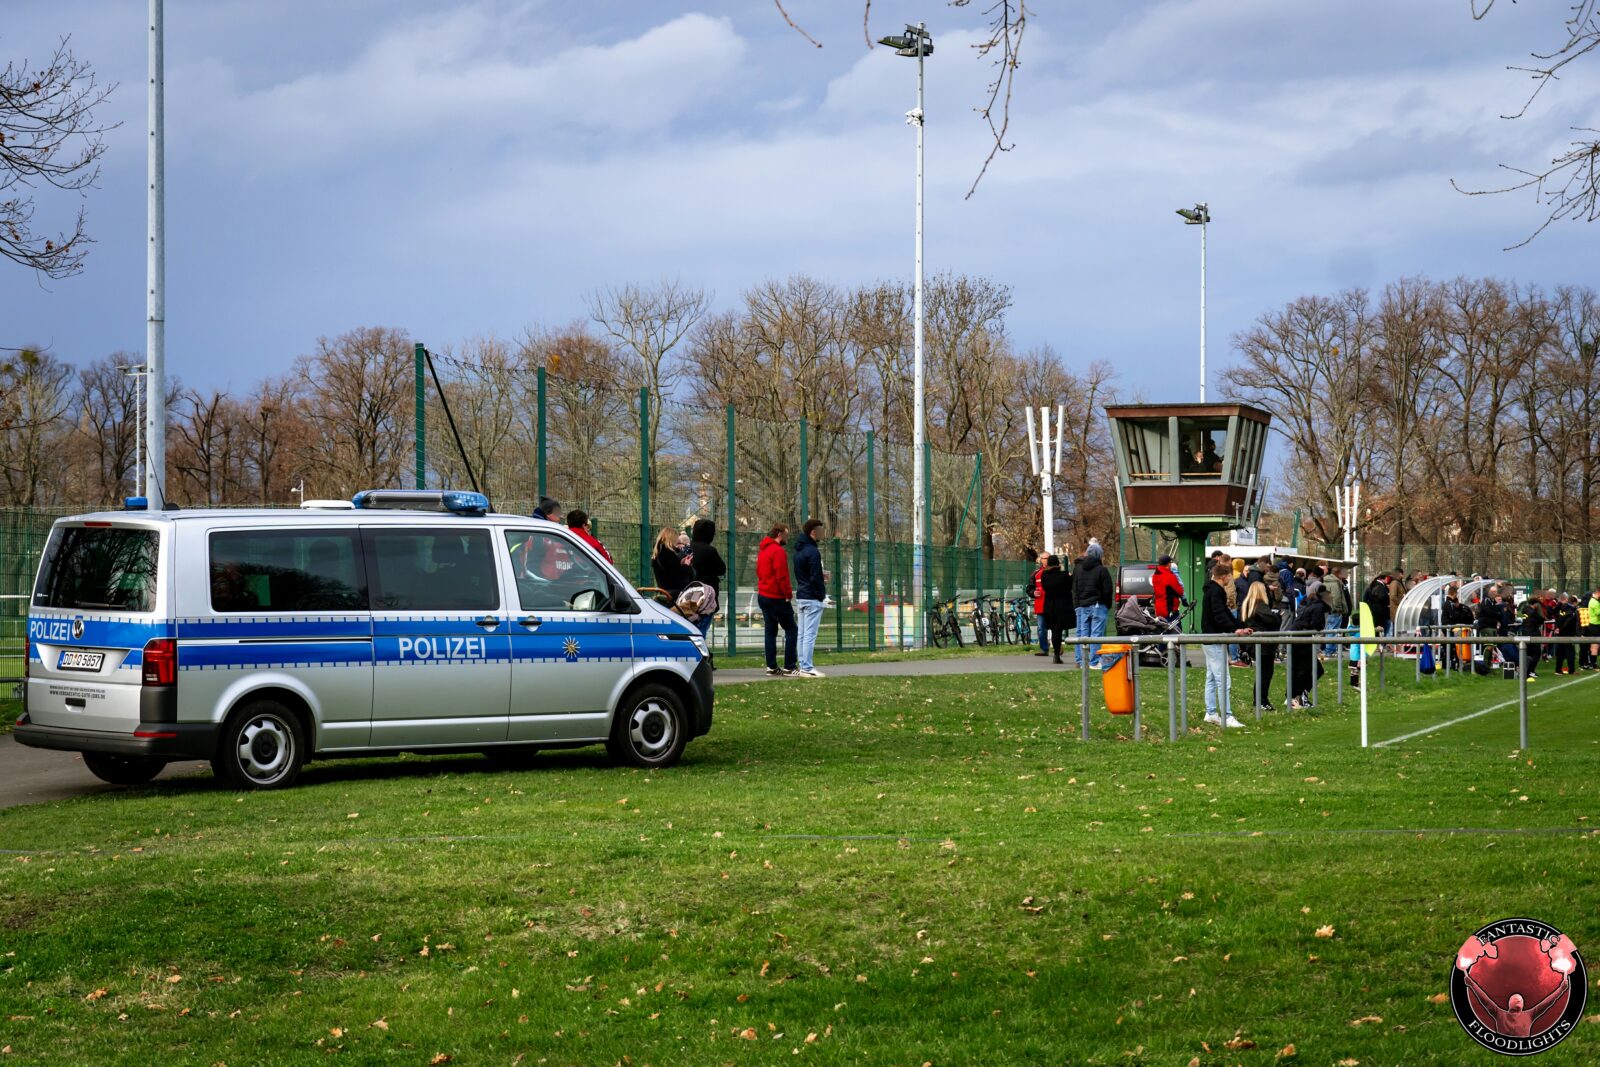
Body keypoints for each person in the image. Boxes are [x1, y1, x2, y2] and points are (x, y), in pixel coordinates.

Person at [1201, 562, 1253, 727]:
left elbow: (1224, 613)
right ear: (1224, 576)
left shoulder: (1212, 591)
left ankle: (1211, 713)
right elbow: (1220, 615)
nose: (1231, 579)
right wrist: (1235, 629)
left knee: (1211, 677)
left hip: (1210, 638)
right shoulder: (1216, 592)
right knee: (1223, 678)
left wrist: (1239, 628)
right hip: (1214, 639)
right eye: (1230, 576)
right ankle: (1227, 716)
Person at [756, 523, 798, 676]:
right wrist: (788, 594)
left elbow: (759, 571)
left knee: (770, 630)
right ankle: (790, 666)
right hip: (776, 597)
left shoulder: (763, 550)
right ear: (780, 534)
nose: (788, 537)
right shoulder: (778, 551)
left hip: (763, 594)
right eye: (786, 534)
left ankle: (772, 666)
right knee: (792, 629)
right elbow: (782, 575)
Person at [791, 518, 827, 678]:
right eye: (821, 530)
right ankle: (806, 666)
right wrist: (821, 596)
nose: (823, 533)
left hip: (801, 595)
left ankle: (803, 664)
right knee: (810, 634)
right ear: (813, 532)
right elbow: (816, 576)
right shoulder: (813, 552)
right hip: (812, 597)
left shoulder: (798, 551)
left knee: (802, 634)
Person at [1072, 542, 1113, 668]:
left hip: (1084, 605)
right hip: (1098, 605)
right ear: (1099, 555)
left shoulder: (1080, 570)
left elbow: (1076, 588)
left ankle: (1083, 662)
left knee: (1084, 635)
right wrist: (1107, 604)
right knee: (1096, 635)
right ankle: (1094, 662)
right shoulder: (1102, 570)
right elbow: (1107, 590)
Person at [1240, 582, 1280, 712]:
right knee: (1266, 672)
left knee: (1262, 672)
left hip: (1252, 642)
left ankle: (1259, 699)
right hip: (1264, 643)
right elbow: (1271, 621)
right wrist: (1277, 617)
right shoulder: (1260, 605)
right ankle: (1261, 700)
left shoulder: (1246, 605)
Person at [1288, 585, 1330, 707]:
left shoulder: (1311, 604)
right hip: (1302, 638)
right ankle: (1297, 695)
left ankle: (1294, 696)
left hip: (1299, 637)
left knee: (1301, 668)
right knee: (1310, 669)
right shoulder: (1318, 607)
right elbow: (1316, 624)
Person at [687, 518, 725, 646]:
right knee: (702, 630)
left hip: (689, 594)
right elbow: (722, 569)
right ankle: (700, 657)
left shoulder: (688, 549)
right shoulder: (709, 551)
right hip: (707, 596)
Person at [1039, 554, 1074, 663]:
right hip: (1062, 606)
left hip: (1049, 606)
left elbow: (1044, 588)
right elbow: (1070, 587)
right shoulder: (1064, 576)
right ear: (1058, 564)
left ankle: (1056, 653)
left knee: (1054, 630)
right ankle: (1057, 654)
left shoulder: (1044, 576)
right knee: (1059, 630)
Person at [651, 527, 693, 601]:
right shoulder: (669, 554)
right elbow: (679, 574)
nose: (677, 541)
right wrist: (686, 564)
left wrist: (680, 563)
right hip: (674, 590)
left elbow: (668, 570)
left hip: (662, 589)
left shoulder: (657, 553)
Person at [1323, 565, 1350, 655]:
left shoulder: (1326, 581)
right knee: (1334, 630)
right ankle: (1330, 651)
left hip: (1328, 609)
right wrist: (1338, 608)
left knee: (1329, 629)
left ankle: (1329, 650)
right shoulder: (1335, 583)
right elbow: (1337, 597)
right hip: (1335, 610)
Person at [1551, 591, 1580, 676]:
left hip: (1559, 633)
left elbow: (1554, 615)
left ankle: (1558, 670)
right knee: (1570, 652)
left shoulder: (1558, 608)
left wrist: (1557, 628)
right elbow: (1568, 620)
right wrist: (1560, 628)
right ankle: (1571, 670)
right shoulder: (1571, 609)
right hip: (1567, 633)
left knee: (1560, 652)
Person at [1152, 554, 1185, 621]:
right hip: (1169, 610)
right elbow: (1180, 591)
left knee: (1163, 628)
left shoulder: (1155, 576)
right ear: (1168, 564)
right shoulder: (1170, 576)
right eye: (1170, 562)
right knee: (1176, 630)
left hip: (1159, 609)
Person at [1029, 550, 1049, 656]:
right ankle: (1044, 649)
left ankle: (1057, 647)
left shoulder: (1057, 572)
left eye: (1048, 558)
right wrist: (1033, 592)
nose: (1046, 560)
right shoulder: (1036, 574)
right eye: (1044, 558)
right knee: (1041, 628)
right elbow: (1029, 588)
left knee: (1056, 628)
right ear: (1041, 560)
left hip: (1053, 605)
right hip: (1040, 605)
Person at [1585, 588, 1600, 670]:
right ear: (1598, 593)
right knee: (1595, 645)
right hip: (1595, 625)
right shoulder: (1595, 602)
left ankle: (1592, 662)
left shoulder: (1593, 601)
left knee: (1594, 645)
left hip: (1594, 625)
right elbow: (1598, 613)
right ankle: (1593, 664)